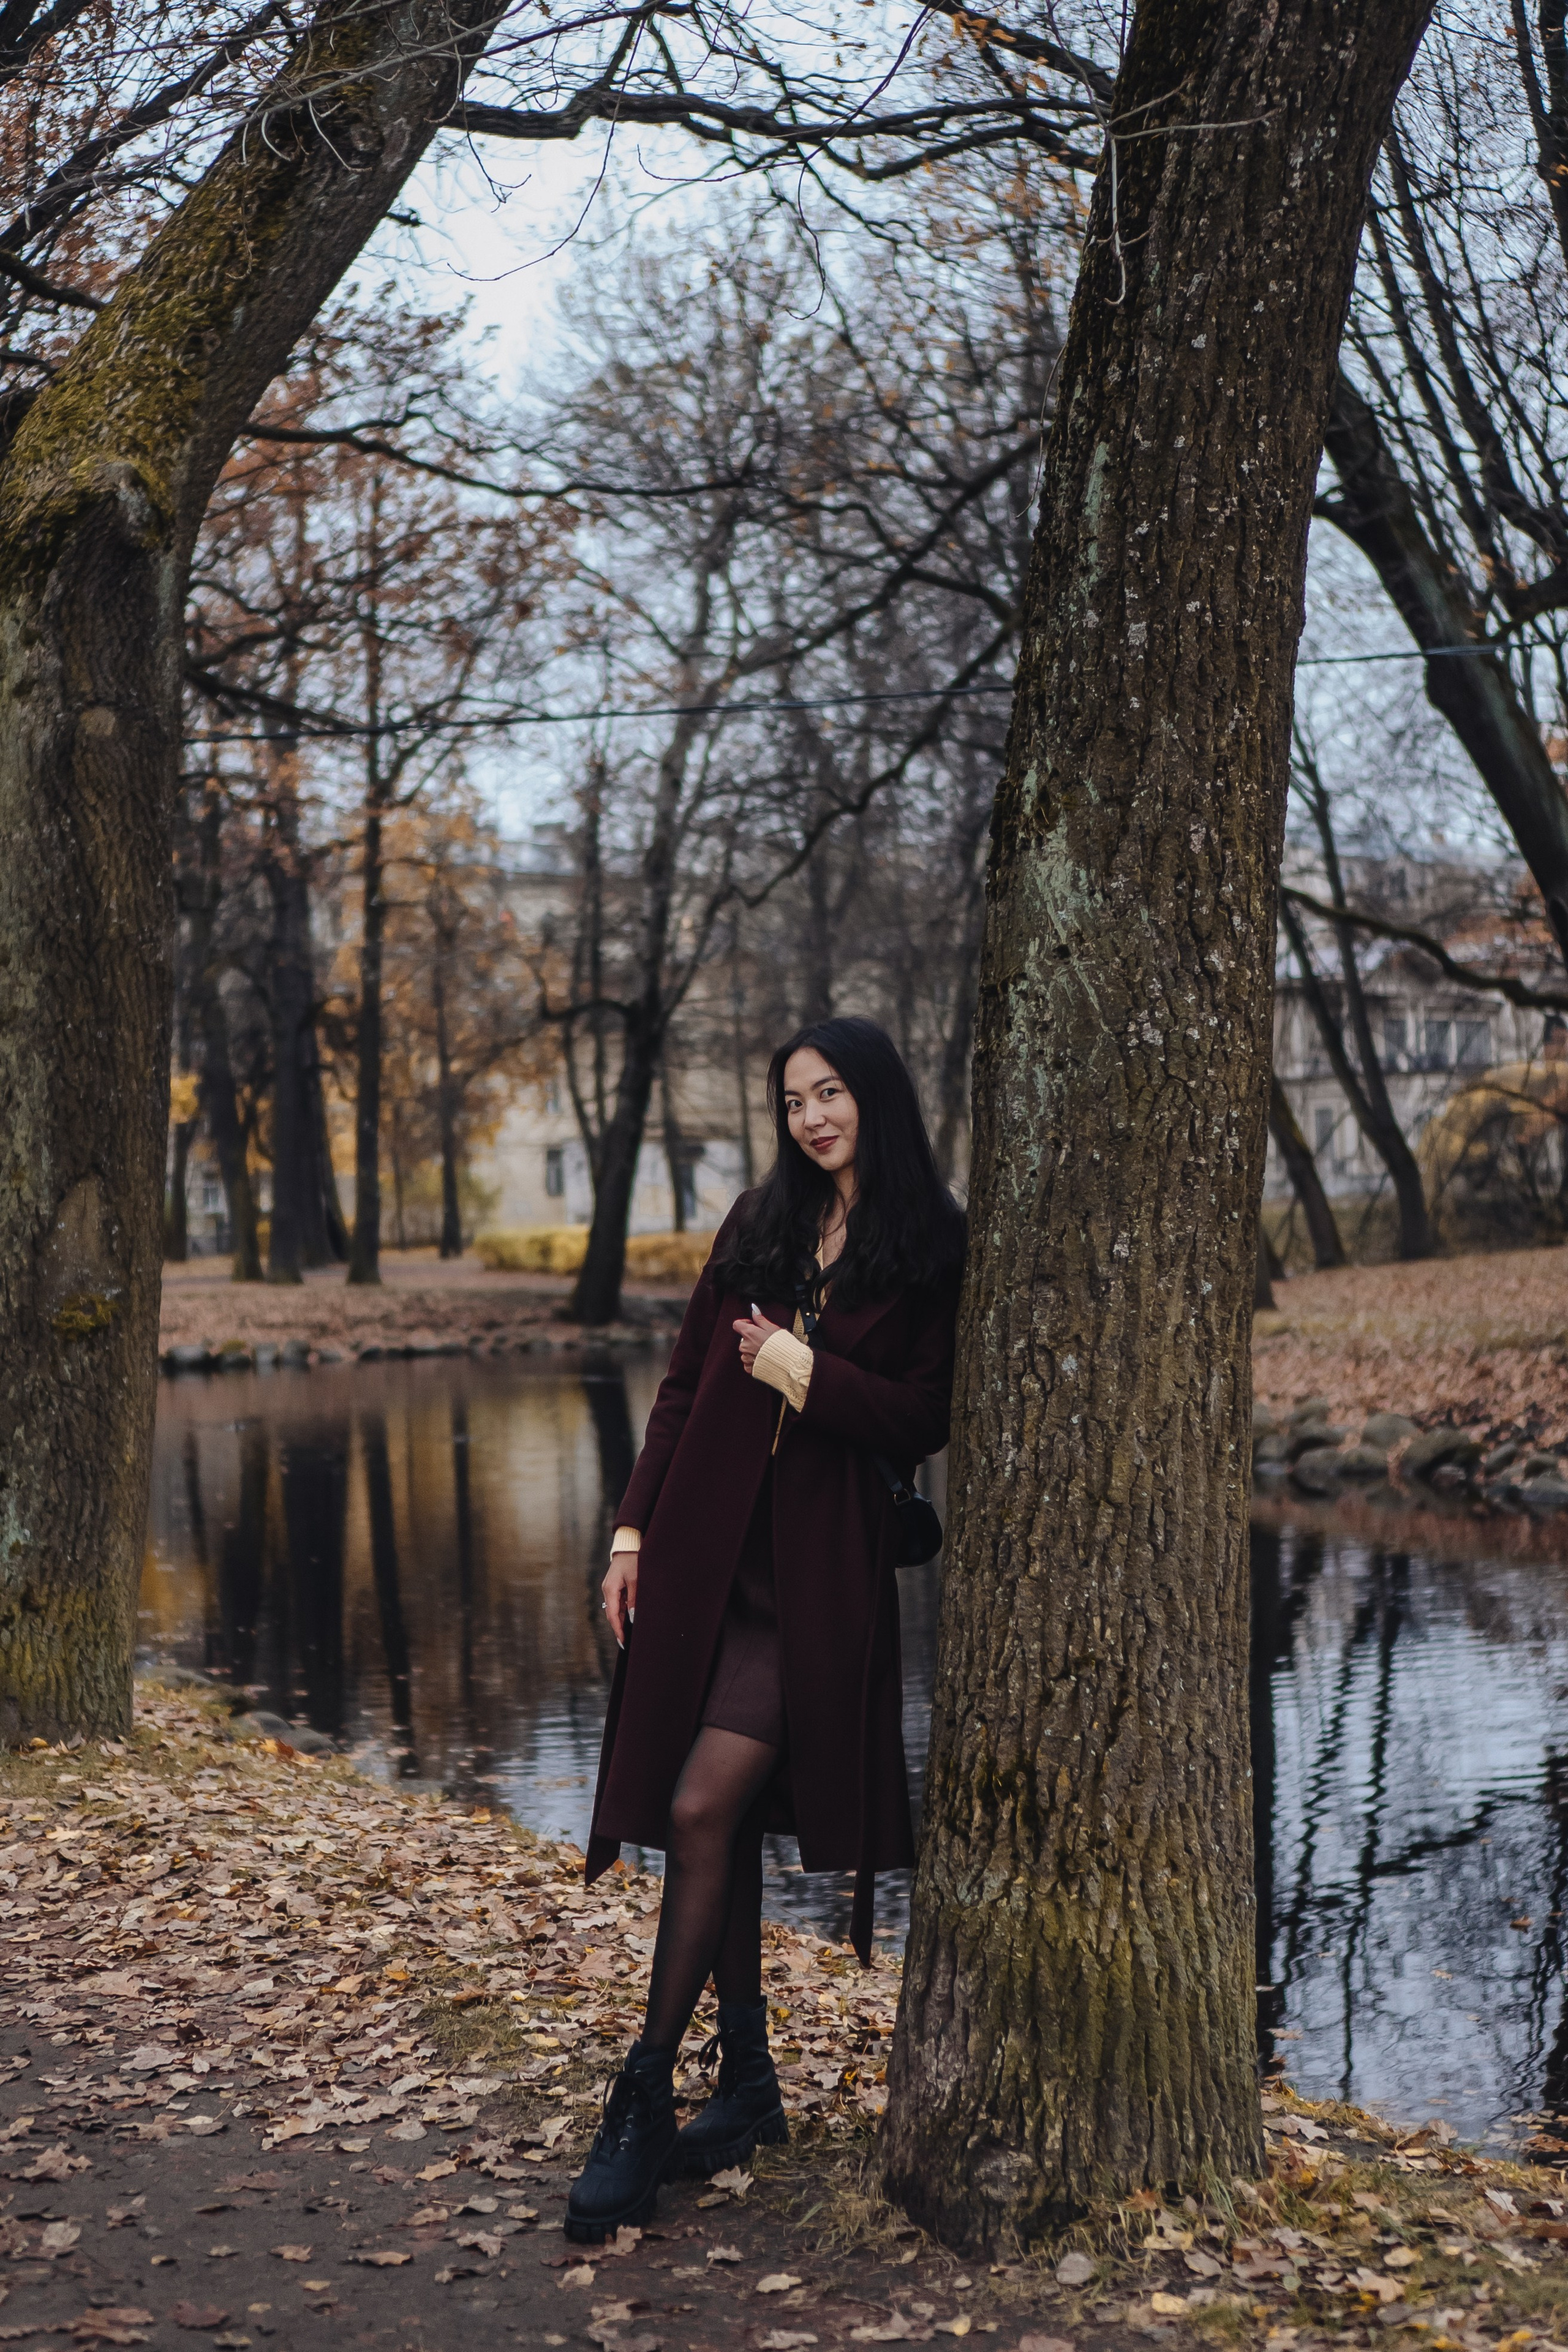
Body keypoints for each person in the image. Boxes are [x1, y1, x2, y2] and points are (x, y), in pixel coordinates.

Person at [565, 1016, 966, 2244]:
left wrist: (803, 1370)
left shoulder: (932, 1244)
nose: (810, 1116)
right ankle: (742, 2089)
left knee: (697, 1808)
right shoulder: (758, 1224)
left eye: (830, 1092)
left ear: (874, 1099)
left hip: (816, 1579)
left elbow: (924, 1416)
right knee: (708, 1818)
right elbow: (686, 1381)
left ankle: (640, 2093)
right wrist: (630, 1533)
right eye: (792, 1098)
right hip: (703, 1560)